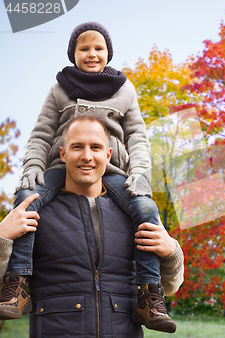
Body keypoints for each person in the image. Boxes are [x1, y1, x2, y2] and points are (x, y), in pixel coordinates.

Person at [0, 22, 172, 332]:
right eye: (84, 48)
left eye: (98, 48)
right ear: (73, 54)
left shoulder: (124, 88)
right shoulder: (59, 89)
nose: (92, 54)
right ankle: (17, 284)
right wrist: (32, 169)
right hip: (54, 173)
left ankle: (150, 296)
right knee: (26, 200)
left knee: (147, 208)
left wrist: (141, 176)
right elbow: (40, 134)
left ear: (108, 53)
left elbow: (137, 136)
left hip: (120, 174)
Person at [0, 116, 183, 337]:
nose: (87, 156)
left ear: (108, 155)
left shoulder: (135, 213)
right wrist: (2, 237)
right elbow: (7, 291)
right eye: (77, 147)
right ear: (63, 154)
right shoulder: (32, 211)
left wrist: (172, 252)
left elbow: (170, 287)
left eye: (95, 147)